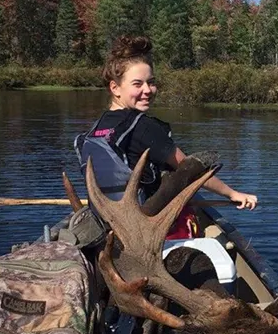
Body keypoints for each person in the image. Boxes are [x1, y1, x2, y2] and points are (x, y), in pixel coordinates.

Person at [82, 35, 258, 212]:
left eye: (151, 82)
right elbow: (189, 168)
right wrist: (232, 193)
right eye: (137, 84)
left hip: (103, 220)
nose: (147, 90)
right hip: (142, 223)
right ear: (115, 88)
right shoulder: (143, 127)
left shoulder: (96, 129)